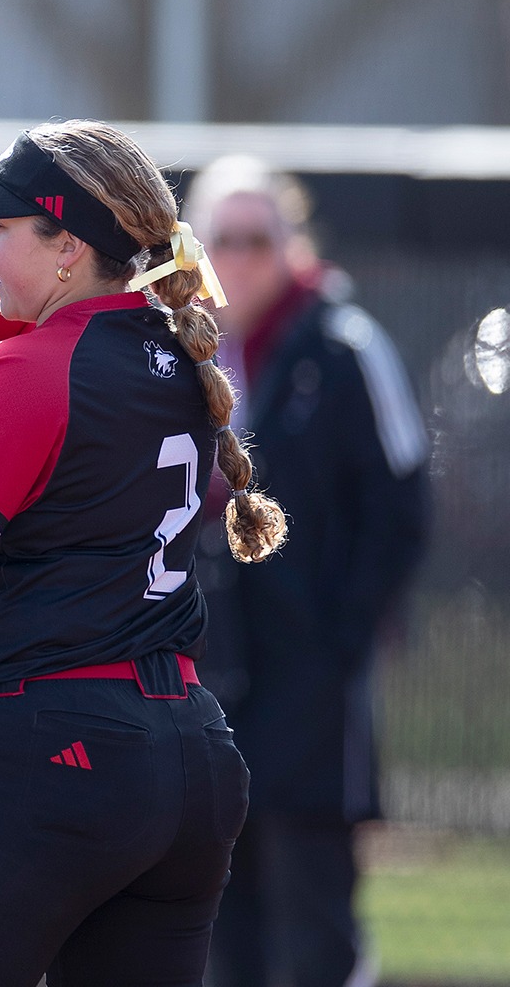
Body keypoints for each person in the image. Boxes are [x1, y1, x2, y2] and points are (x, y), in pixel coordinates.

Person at [0, 95, 285, 986]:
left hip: (55, 753)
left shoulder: (38, 371)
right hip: (187, 756)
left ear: (69, 245)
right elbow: (32, 357)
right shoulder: (169, 351)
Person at [185, 157, 429, 987]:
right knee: (219, 918)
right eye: (224, 240)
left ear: (292, 245)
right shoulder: (181, 355)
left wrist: (342, 634)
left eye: (260, 238)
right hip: (212, 678)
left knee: (314, 918)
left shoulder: (344, 347)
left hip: (310, 682)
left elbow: (401, 508)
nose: (243, 258)